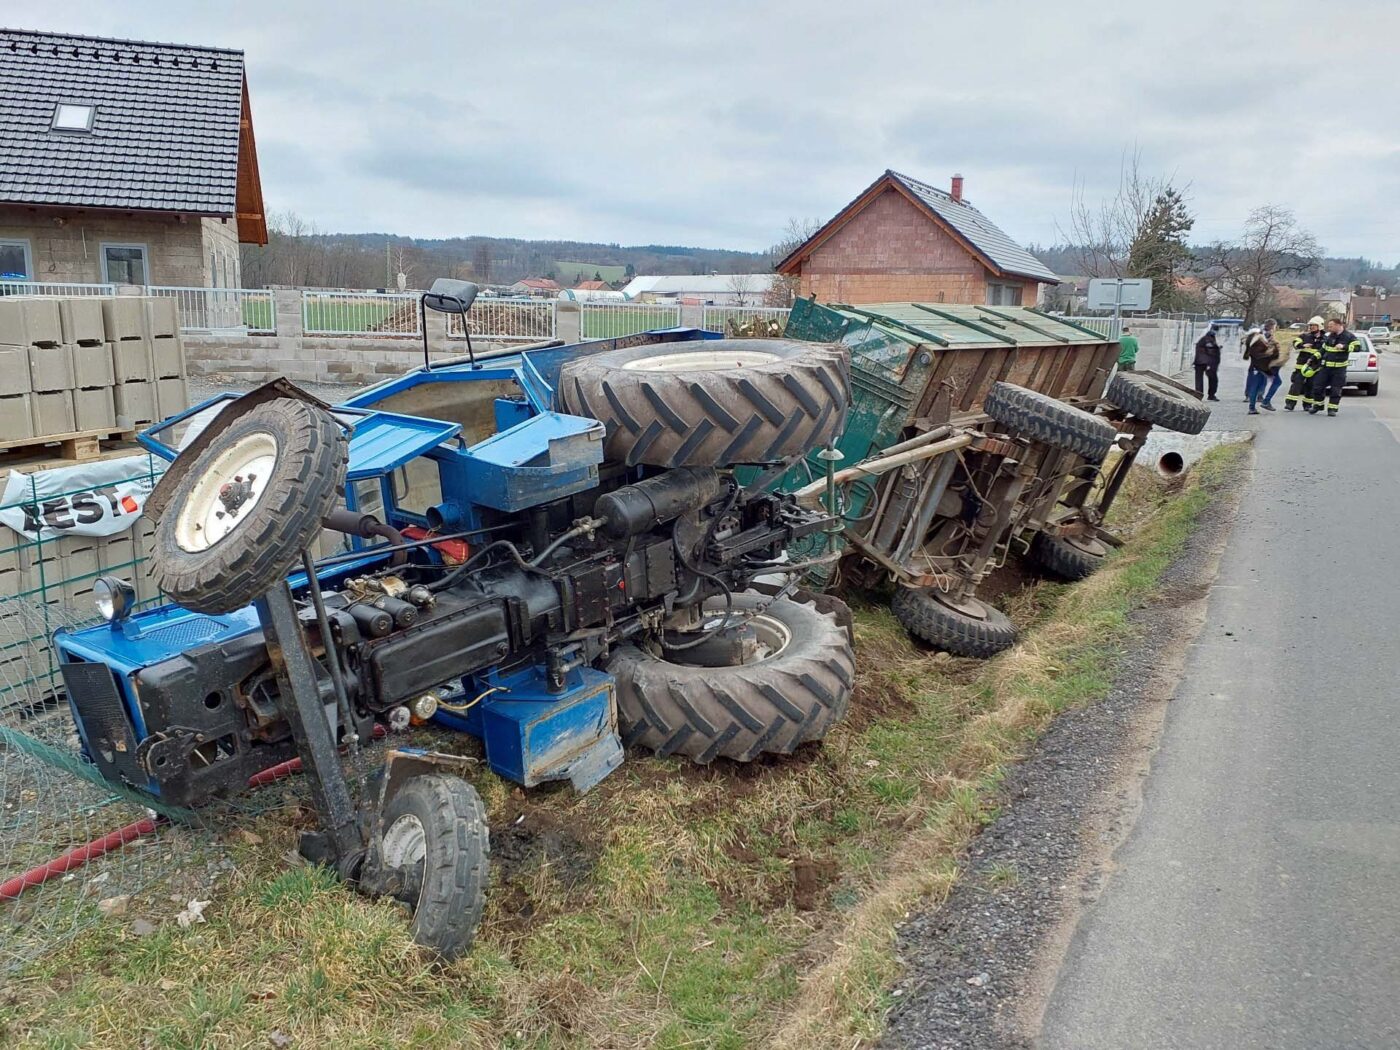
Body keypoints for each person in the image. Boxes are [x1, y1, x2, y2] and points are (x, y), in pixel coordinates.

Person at [1311, 317, 1358, 416]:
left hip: (1339, 369)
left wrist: (1344, 347)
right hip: (1326, 368)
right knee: (1317, 387)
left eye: (1331, 326)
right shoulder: (1329, 336)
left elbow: (1358, 347)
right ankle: (1318, 405)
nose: (1329, 328)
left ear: (1338, 325)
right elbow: (1323, 349)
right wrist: (1313, 358)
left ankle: (1332, 409)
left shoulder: (1349, 336)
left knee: (1336, 390)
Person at [1284, 316, 1325, 411]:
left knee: (1310, 386)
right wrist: (1302, 345)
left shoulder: (1325, 339)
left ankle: (1307, 405)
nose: (1311, 327)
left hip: (1315, 367)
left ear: (1319, 326)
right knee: (1296, 385)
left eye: (1313, 326)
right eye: (1310, 326)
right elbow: (1295, 343)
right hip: (1301, 365)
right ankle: (1290, 404)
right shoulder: (1304, 336)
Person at [1242, 326, 1279, 415]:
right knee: (1276, 382)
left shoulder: (1255, 343)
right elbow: (1259, 356)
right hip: (1259, 368)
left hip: (1257, 368)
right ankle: (1264, 402)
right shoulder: (1258, 343)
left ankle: (1254, 406)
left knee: (1256, 387)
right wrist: (1271, 353)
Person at [1260, 320, 1284, 410]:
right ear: (1272, 326)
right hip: (1272, 363)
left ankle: (1262, 399)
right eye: (1275, 326)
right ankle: (1266, 401)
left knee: (1266, 380)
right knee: (1277, 382)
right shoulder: (1271, 336)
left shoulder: (1262, 334)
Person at [1193, 325, 1222, 400]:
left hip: (1200, 362)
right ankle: (1210, 395)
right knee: (1213, 379)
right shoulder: (1209, 339)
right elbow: (1210, 351)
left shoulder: (1205, 338)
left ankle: (1199, 395)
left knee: (1199, 379)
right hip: (1206, 362)